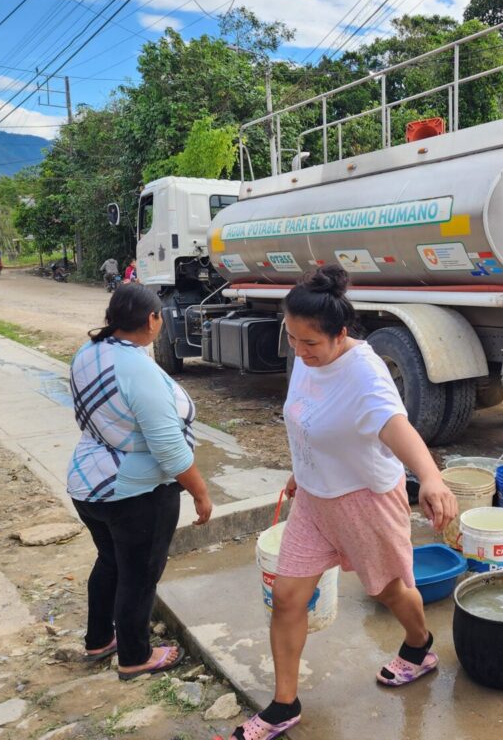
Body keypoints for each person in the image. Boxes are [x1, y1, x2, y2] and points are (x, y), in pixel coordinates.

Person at [229, 265, 459, 740]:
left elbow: (400, 429)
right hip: (315, 501)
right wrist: (302, 469)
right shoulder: (308, 356)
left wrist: (432, 478)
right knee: (288, 598)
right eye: (292, 338)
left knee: (387, 589)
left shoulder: (365, 374)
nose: (299, 350)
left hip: (365, 501)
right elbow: (310, 419)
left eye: (309, 343)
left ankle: (420, 645)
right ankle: (283, 705)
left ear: (340, 335)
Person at [67, 284, 213, 681]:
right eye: (160, 316)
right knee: (140, 576)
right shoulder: (137, 369)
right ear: (151, 319)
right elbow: (169, 449)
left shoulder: (90, 352)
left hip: (88, 485)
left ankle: (99, 640)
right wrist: (200, 492)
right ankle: (135, 657)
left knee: (111, 563)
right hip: (133, 493)